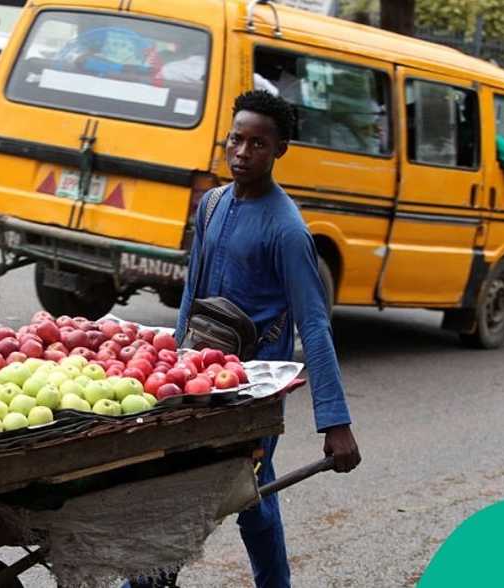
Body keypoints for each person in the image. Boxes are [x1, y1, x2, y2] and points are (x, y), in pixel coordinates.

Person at [127, 91, 362, 588]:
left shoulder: (287, 231)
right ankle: (154, 579)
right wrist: (165, 365)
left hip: (252, 390)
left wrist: (335, 422)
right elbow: (192, 295)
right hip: (196, 381)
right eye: (236, 139)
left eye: (257, 143)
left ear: (280, 151)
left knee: (251, 495)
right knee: (194, 484)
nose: (241, 152)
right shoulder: (211, 206)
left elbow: (314, 325)